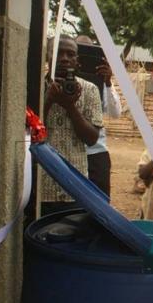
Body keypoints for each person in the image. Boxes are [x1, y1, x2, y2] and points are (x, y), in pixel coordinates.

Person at [41, 35, 103, 215]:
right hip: (41, 183)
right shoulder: (36, 86)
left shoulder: (90, 90)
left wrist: (69, 106)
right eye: (59, 53)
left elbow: (91, 138)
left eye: (71, 54)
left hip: (75, 185)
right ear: (48, 57)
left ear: (77, 61)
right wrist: (48, 100)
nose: (65, 58)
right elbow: (28, 131)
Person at [75, 35, 122, 196]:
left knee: (99, 200)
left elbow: (116, 113)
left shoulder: (101, 82)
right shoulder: (60, 79)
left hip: (96, 152)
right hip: (69, 151)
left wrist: (108, 82)